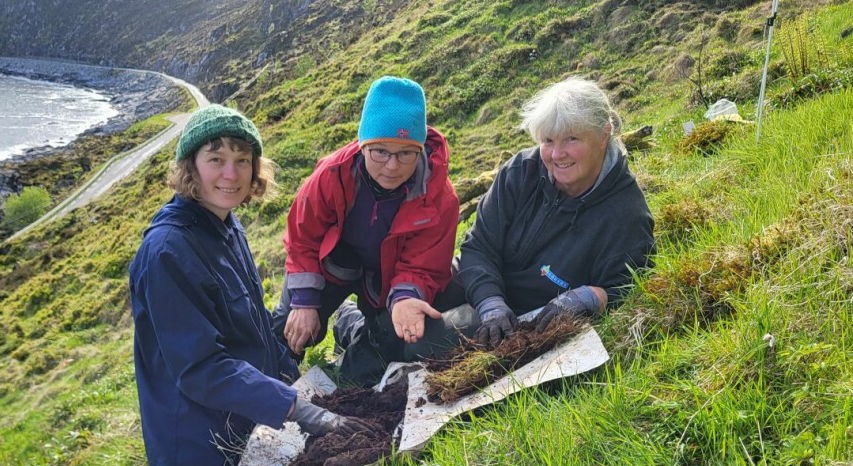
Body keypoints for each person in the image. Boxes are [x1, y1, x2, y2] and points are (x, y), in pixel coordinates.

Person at [128, 104, 370, 466]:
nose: (231, 173)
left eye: (243, 159)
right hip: (195, 448)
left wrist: (291, 380)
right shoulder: (167, 252)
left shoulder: (225, 226)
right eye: (215, 158)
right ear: (190, 168)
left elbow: (253, 326)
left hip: (241, 426)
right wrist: (296, 408)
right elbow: (202, 368)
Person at [272, 76, 460, 387]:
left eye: (406, 153)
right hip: (331, 267)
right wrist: (304, 301)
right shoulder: (331, 174)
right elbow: (302, 238)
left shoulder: (439, 196)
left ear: (420, 150)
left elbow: (423, 264)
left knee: (362, 373)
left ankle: (350, 324)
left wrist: (406, 298)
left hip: (386, 282)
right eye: (380, 151)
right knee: (285, 334)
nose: (391, 166)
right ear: (363, 146)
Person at [458, 76, 655, 348]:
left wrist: (588, 298)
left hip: (535, 327)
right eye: (548, 140)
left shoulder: (627, 216)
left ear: (604, 134)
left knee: (427, 347)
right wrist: (490, 304)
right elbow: (478, 246)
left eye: (571, 139)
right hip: (486, 300)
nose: (557, 154)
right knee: (406, 329)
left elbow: (627, 288)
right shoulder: (520, 172)